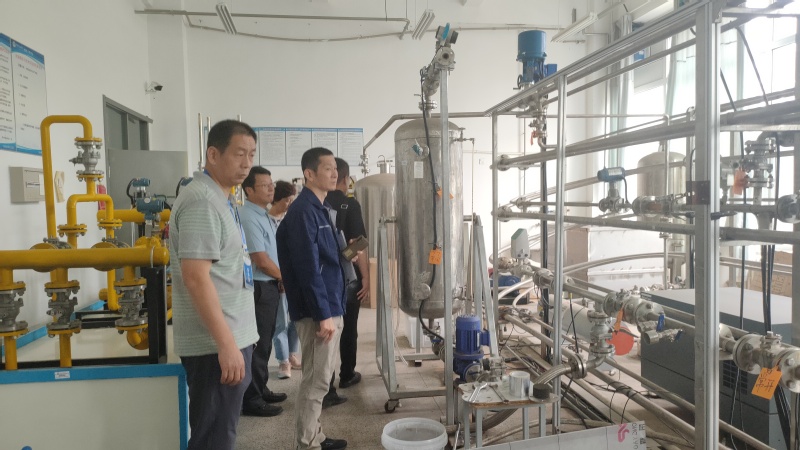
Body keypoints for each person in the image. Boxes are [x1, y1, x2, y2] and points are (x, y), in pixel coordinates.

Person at [170, 119, 260, 450]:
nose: (247, 163)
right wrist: (226, 345)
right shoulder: (202, 201)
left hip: (229, 339)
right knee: (214, 438)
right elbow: (196, 278)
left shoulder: (220, 198)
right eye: (239, 153)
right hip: (214, 346)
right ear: (213, 154)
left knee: (221, 431)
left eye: (251, 154)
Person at [277, 147, 348, 450]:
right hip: (318, 312)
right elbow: (308, 268)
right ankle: (307, 444)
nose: (335, 173)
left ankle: (315, 435)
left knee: (321, 375)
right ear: (309, 173)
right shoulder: (303, 212)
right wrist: (323, 315)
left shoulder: (320, 208)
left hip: (330, 304)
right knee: (316, 381)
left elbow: (325, 261)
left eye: (335, 168)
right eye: (328, 168)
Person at [239, 166, 288, 417]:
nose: (271, 189)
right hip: (259, 288)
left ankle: (261, 387)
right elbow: (260, 259)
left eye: (272, 184)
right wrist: (283, 277)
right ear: (249, 190)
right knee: (258, 345)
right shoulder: (248, 217)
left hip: (269, 284)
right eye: (265, 185)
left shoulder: (263, 215)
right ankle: (252, 399)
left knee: (266, 341)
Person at [324, 158, 370, 407]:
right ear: (346, 178)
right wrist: (365, 277)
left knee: (326, 331)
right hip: (348, 278)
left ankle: (326, 383)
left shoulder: (316, 204)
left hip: (323, 279)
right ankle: (347, 374)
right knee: (348, 327)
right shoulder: (350, 204)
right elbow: (358, 244)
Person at [270, 180, 302, 379]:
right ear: (277, 199)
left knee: (297, 319)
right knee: (281, 321)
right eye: (287, 200)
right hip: (277, 277)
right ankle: (283, 360)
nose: (290, 204)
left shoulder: (290, 221)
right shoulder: (267, 221)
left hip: (294, 276)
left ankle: (291, 354)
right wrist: (280, 276)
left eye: (292, 200)